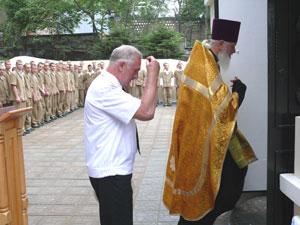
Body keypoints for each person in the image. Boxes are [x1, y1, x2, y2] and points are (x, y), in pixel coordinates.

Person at [163, 18, 257, 225]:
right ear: (221, 43)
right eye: (232, 47)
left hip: (210, 136)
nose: (233, 51)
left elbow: (214, 101)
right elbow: (220, 108)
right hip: (202, 140)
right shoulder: (203, 63)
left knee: (237, 171)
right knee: (219, 186)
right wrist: (238, 94)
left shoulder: (206, 60)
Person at [84, 45, 160, 225]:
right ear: (121, 65)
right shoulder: (105, 88)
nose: (135, 76)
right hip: (111, 173)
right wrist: (153, 75)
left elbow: (149, 106)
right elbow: (146, 111)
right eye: (135, 71)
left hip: (114, 170)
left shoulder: (110, 85)